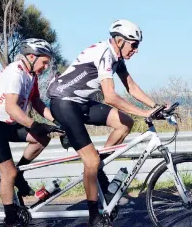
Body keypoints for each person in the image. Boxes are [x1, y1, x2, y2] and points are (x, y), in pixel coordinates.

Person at [47, 19, 161, 227]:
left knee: (125, 123)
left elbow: (131, 87)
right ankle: (94, 216)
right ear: (119, 41)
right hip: (64, 103)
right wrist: (144, 112)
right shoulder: (104, 53)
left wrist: (156, 106)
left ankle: (98, 168)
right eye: (133, 45)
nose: (135, 50)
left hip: (80, 102)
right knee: (90, 161)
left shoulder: (116, 56)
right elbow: (109, 96)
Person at [0, 38, 61, 227]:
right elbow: (12, 108)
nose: (45, 67)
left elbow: (37, 101)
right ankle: (10, 220)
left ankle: (19, 174)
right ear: (31, 56)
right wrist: (35, 125)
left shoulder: (31, 75)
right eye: (44, 62)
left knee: (42, 138)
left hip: (6, 123)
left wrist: (56, 121)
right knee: (8, 172)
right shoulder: (15, 72)